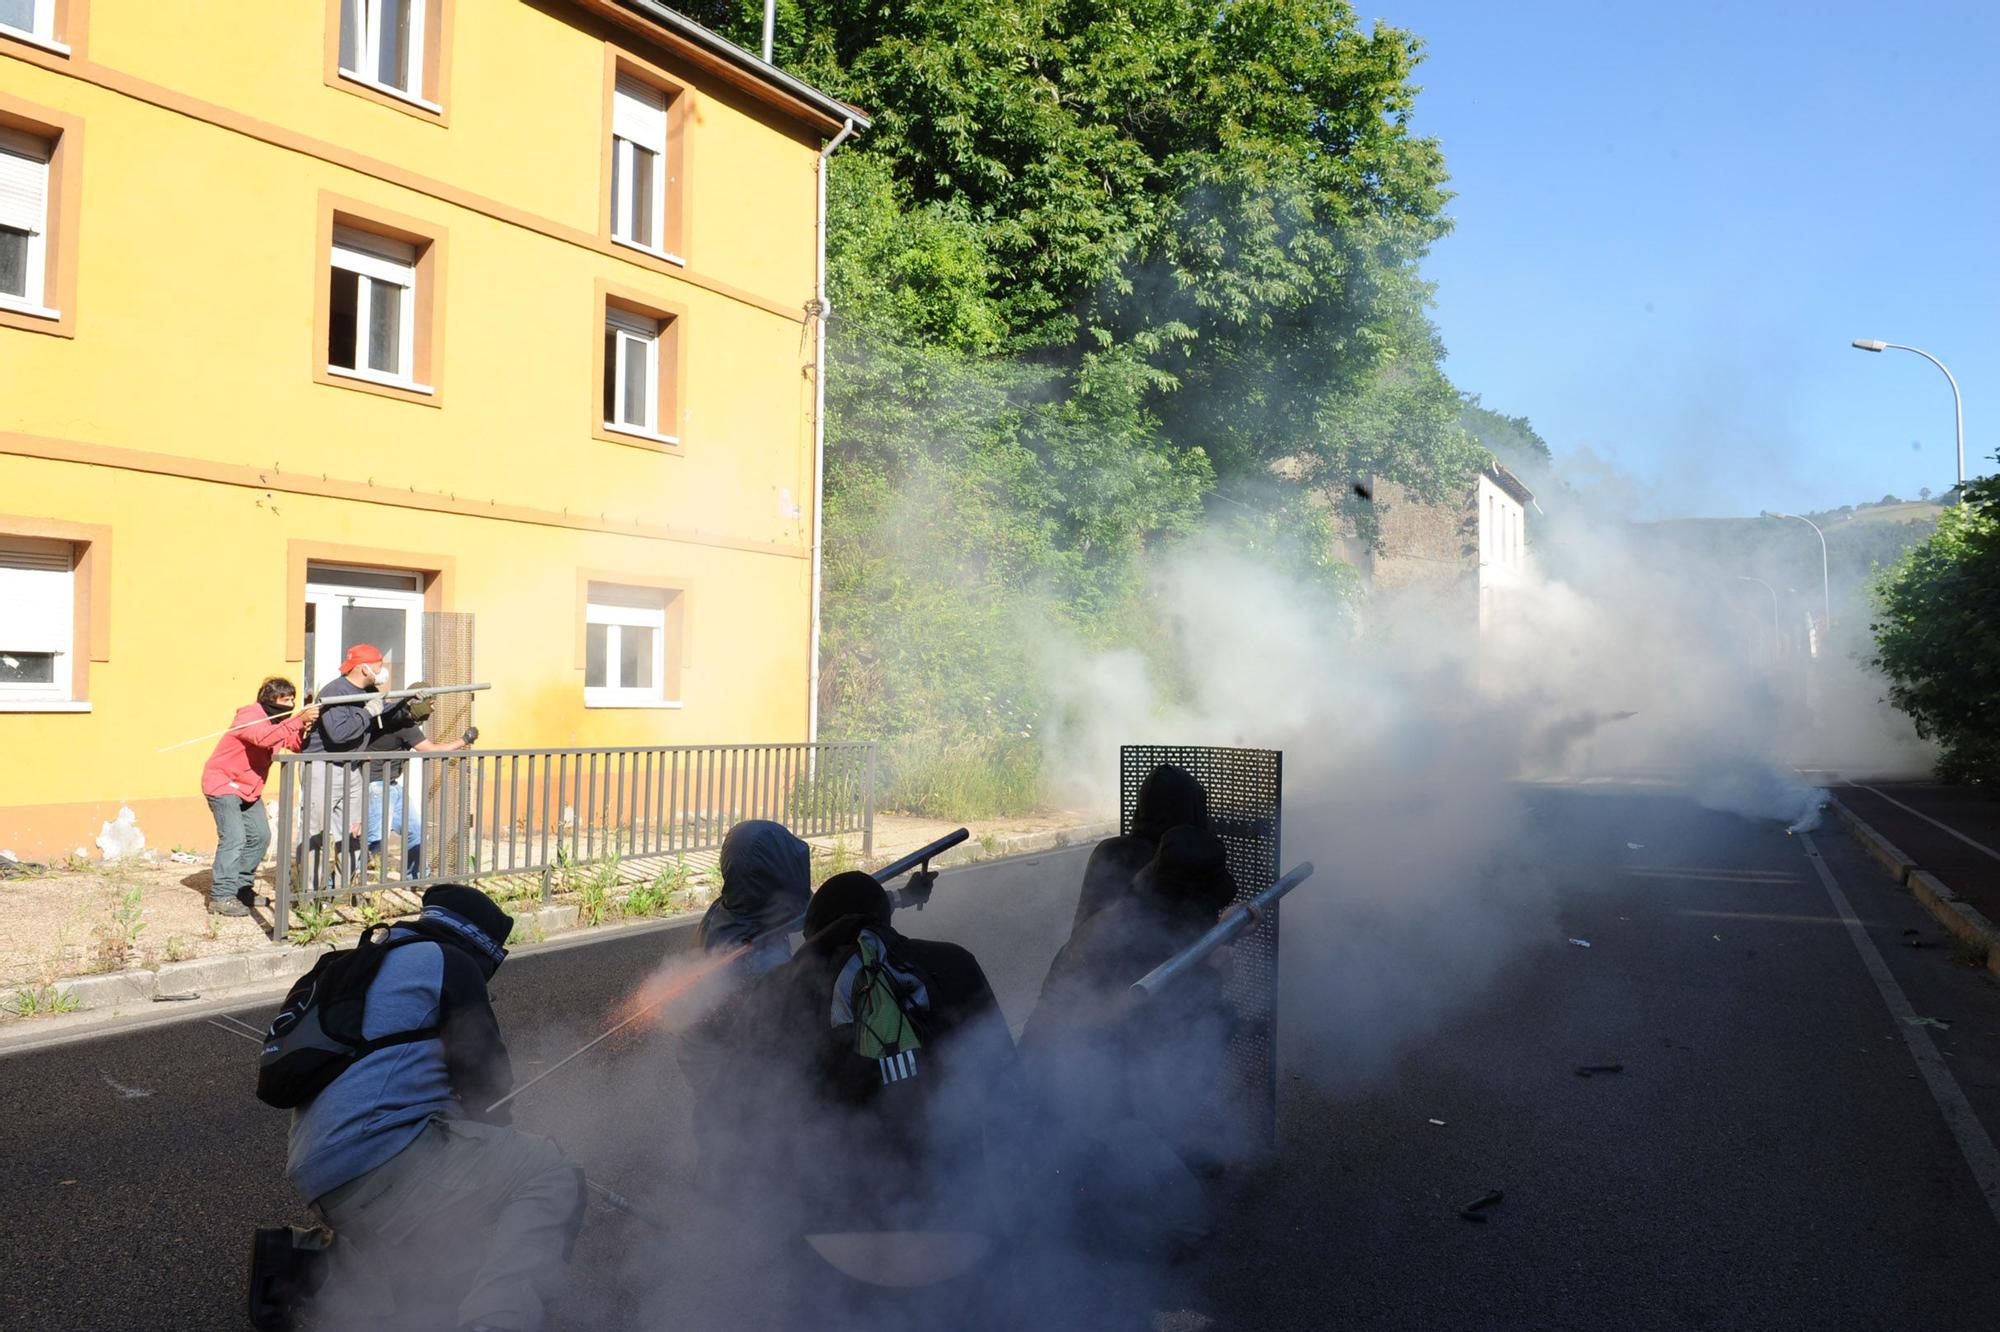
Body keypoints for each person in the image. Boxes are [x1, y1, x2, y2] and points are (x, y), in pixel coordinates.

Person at [287, 884, 583, 1331]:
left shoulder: (370, 962)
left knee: (445, 1232)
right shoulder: (450, 961)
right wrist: (497, 1138)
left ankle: (310, 1277)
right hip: (381, 1160)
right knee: (546, 1173)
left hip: (318, 1172)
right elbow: (485, 1077)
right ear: (480, 945)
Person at [1016, 826, 1240, 1255]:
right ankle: (1087, 1193)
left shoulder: (1138, 916)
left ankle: (1121, 1159)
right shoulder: (1133, 940)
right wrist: (1212, 975)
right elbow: (1156, 1023)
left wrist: (1222, 934)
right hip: (1078, 1094)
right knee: (1186, 1224)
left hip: (1092, 1075)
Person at [200, 678, 320, 916]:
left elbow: (292, 743)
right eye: (285, 699)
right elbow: (262, 737)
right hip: (223, 783)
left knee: (260, 836)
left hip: (248, 789)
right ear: (270, 699)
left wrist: (305, 729)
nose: (291, 703)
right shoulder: (248, 715)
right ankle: (221, 896)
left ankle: (241, 888)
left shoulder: (280, 720)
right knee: (234, 839)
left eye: (292, 699)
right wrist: (298, 719)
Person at [301, 644, 413, 890]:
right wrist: (368, 712)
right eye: (378, 666)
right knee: (315, 834)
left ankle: (343, 890)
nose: (382, 671)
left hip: (352, 768)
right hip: (323, 767)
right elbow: (339, 734)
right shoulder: (335, 691)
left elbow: (383, 715)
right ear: (363, 668)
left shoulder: (371, 690)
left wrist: (410, 704)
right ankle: (309, 895)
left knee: (353, 833)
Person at [1070, 763, 1210, 929]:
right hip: (1162, 955)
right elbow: (1197, 939)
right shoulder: (1184, 860)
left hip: (1080, 953)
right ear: (1191, 809)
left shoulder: (1109, 849)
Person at [364, 689, 478, 880]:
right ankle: (341, 883)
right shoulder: (403, 723)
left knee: (415, 830)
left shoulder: (396, 715)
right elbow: (430, 750)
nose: (433, 708)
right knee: (373, 840)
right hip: (377, 784)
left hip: (391, 784)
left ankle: (416, 876)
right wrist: (464, 740)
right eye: (431, 703)